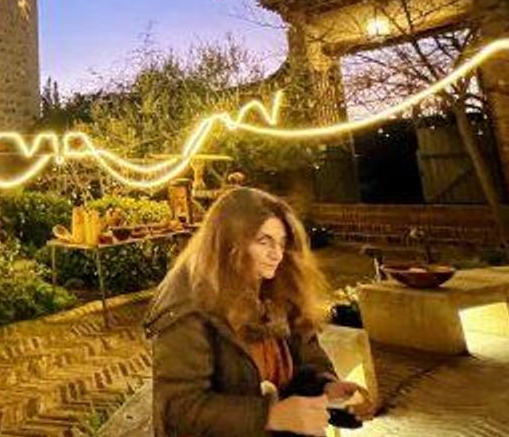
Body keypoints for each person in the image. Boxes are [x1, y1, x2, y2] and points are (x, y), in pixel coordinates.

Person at [143, 187, 367, 436]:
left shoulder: (274, 283)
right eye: (264, 241)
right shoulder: (186, 306)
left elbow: (306, 351)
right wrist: (269, 417)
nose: (277, 255)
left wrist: (326, 387)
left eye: (281, 243)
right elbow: (178, 410)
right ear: (229, 242)